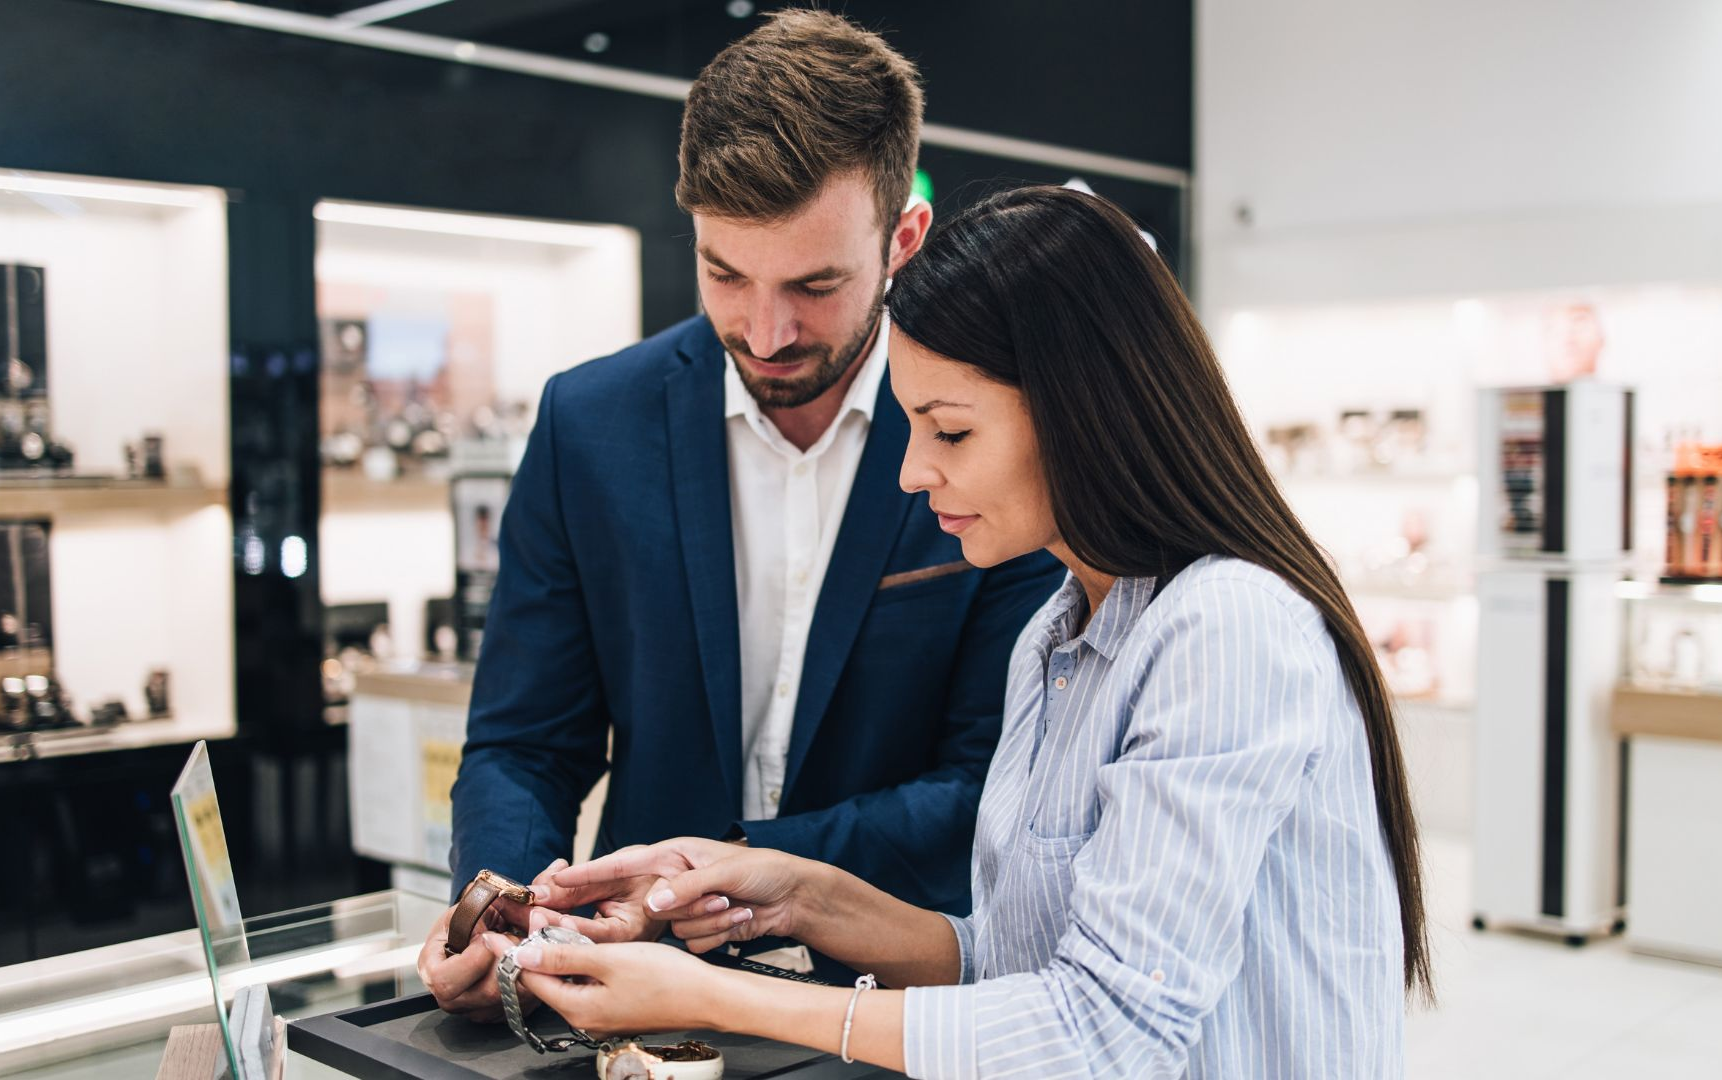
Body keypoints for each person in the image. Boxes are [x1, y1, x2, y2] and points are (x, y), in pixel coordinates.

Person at [501, 186, 1434, 1078]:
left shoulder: (1227, 628)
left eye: (949, 433)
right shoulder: (1059, 636)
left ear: (1085, 413)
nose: (912, 472)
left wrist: (713, 997)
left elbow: (1104, 1031)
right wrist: (789, 890)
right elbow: (1018, 959)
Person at [417, 11, 1064, 1023]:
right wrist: (498, 902)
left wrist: (743, 868)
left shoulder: (989, 434)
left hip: (904, 1006)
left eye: (815, 285)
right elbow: (525, 741)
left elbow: (994, 781)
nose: (766, 333)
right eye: (725, 274)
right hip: (637, 997)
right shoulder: (592, 422)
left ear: (903, 239)